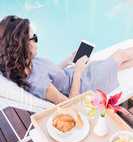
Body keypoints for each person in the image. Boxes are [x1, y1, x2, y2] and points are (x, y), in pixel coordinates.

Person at [0, 15, 133, 104]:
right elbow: (71, 104)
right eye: (34, 37)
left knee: (117, 65)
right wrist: (78, 71)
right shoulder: (39, 84)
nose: (37, 40)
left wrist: (68, 60)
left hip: (77, 75)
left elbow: (51, 74)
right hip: (83, 87)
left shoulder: (26, 63)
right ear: (21, 46)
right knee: (120, 55)